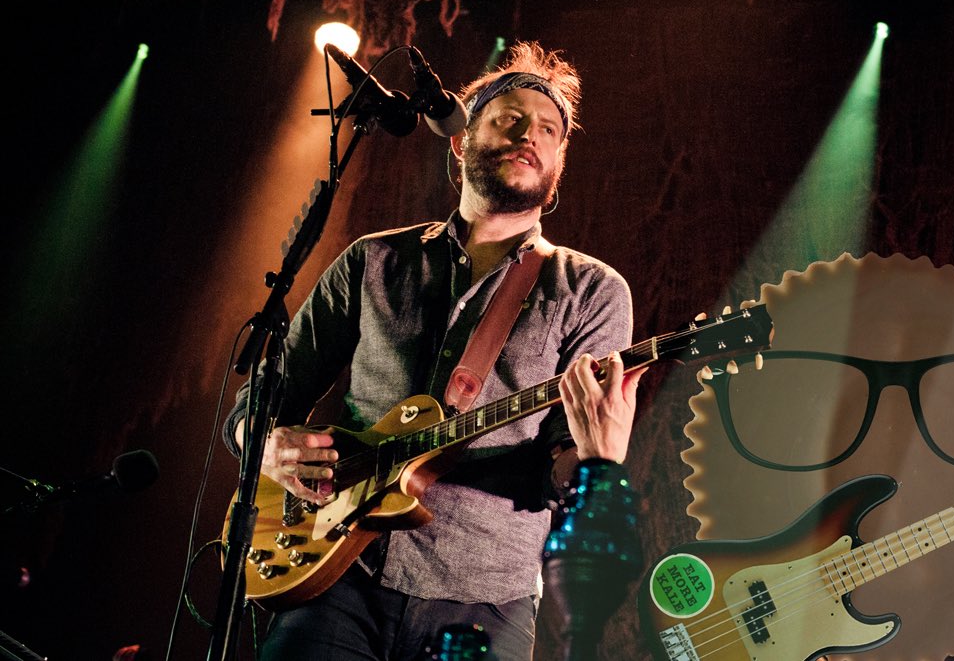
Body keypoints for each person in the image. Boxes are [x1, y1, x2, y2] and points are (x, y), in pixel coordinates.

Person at [222, 41, 644, 660]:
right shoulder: (373, 260)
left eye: (549, 130)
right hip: (337, 578)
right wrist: (264, 448)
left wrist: (594, 464)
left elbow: (558, 479)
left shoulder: (593, 291)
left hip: (484, 600)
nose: (530, 135)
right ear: (460, 139)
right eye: (510, 118)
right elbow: (262, 402)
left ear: (559, 163)